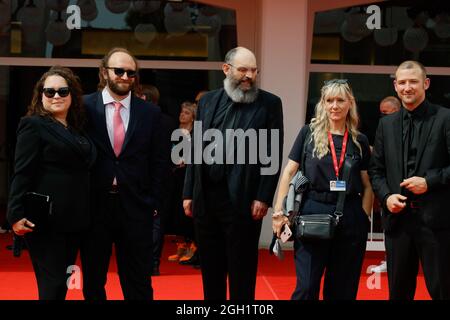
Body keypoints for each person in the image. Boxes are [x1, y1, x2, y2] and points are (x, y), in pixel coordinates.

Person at [183, 46, 284, 300]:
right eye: (243, 69)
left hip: (244, 199)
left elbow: (272, 152)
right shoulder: (207, 101)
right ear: (226, 69)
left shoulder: (270, 103)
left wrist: (263, 196)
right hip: (206, 198)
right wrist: (188, 192)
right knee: (210, 268)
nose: (249, 75)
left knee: (242, 270)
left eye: (254, 70)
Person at [272, 79, 372, 300]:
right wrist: (278, 212)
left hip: (350, 216)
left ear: (350, 103)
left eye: (340, 100)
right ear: (323, 104)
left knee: (342, 290)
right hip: (312, 212)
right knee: (306, 287)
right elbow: (289, 172)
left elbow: (367, 185)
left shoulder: (360, 141)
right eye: (329, 100)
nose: (334, 106)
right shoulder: (308, 133)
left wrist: (362, 216)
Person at [80, 48, 168, 300]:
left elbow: (159, 161)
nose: (125, 76)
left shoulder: (150, 113)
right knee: (94, 281)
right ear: (104, 72)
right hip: (95, 206)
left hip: (136, 206)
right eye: (119, 71)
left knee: (138, 281)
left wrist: (153, 201)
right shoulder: (84, 107)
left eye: (131, 72)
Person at [7, 66, 96, 300]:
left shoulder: (78, 128)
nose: (56, 96)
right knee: (53, 285)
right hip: (46, 222)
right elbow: (22, 171)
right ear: (41, 95)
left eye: (63, 91)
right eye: (50, 92)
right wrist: (15, 214)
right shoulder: (33, 125)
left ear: (72, 95)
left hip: (75, 220)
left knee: (61, 285)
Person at [369, 61, 450, 300]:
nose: (407, 87)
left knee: (443, 290)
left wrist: (430, 181)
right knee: (399, 293)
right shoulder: (386, 124)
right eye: (402, 82)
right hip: (398, 223)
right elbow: (376, 170)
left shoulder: (445, 118)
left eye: (413, 81)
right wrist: (386, 196)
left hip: (436, 223)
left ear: (425, 83)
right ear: (395, 86)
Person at [137, 84, 176, 275]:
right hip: (162, 177)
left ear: (144, 98)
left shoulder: (140, 119)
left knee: (148, 221)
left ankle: (145, 262)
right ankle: (152, 263)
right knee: (155, 221)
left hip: (148, 177)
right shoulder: (169, 121)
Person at [370, 96, 400, 273]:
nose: (382, 117)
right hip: (387, 189)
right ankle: (389, 259)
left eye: (385, 113)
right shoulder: (384, 129)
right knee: (388, 227)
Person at [167, 102, 199, 267]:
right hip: (175, 175)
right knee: (176, 213)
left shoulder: (195, 134)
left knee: (187, 214)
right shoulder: (176, 132)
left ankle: (192, 248)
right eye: (181, 111)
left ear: (193, 117)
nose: (182, 115)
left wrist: (185, 161)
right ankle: (181, 247)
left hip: (187, 176)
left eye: (186, 113)